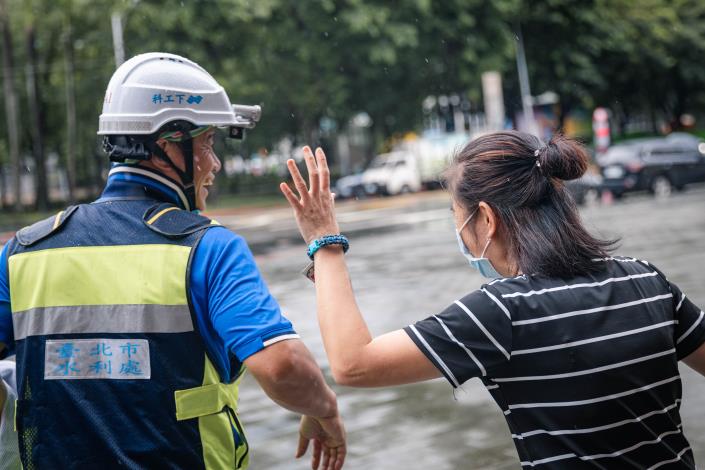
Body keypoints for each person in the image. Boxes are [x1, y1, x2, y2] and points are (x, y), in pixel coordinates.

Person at [0, 52, 345, 470]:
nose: (214, 164)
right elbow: (284, 367)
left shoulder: (24, 251)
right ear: (167, 145)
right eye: (208, 144)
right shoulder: (209, 248)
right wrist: (323, 406)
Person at [280, 132, 705, 469]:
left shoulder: (504, 312)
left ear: (485, 218)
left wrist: (324, 241)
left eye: (456, 216)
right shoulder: (648, 280)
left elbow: (353, 363)